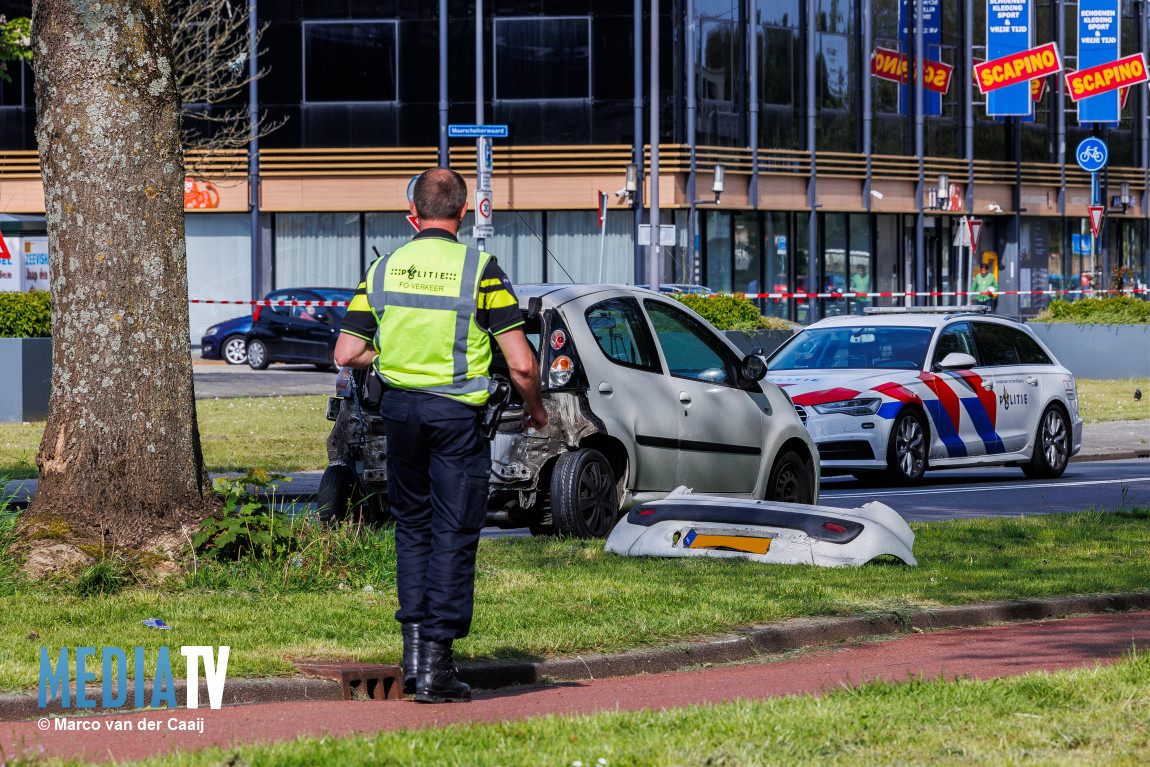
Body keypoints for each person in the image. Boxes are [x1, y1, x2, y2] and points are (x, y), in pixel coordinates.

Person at [334, 168, 548, 704]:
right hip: (456, 418)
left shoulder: (383, 268)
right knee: (454, 532)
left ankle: (412, 659)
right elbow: (521, 364)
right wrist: (537, 411)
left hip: (401, 415)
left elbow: (346, 353)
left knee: (413, 529)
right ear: (464, 213)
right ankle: (436, 668)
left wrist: (392, 358)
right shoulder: (481, 269)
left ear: (414, 216)